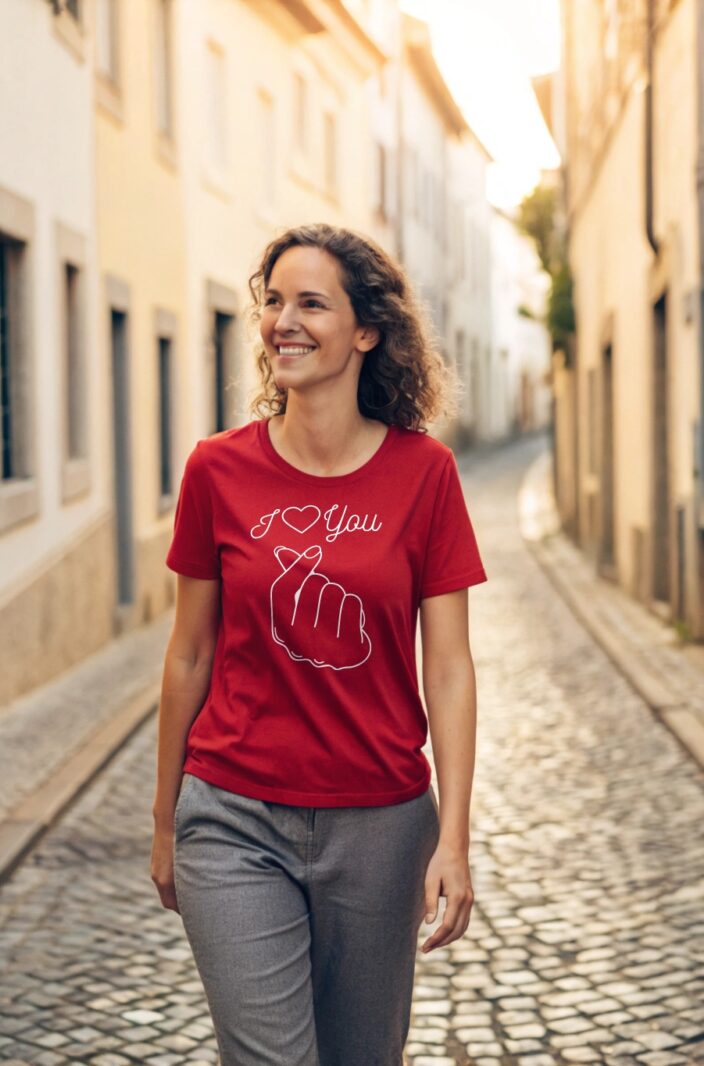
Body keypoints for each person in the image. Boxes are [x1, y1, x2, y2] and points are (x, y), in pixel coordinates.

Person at [150, 222, 488, 1066]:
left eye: (311, 303)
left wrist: (453, 840)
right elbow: (188, 654)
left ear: (367, 330)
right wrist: (165, 822)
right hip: (232, 816)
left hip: (381, 829)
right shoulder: (216, 470)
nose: (283, 322)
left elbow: (448, 668)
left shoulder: (426, 475)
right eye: (273, 302)